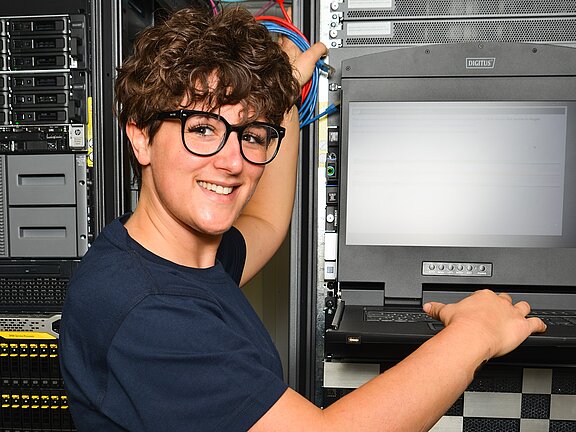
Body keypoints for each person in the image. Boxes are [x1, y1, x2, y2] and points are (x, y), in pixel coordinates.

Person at [59, 5, 547, 432]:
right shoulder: (148, 313)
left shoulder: (170, 257)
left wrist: (284, 98)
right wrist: (474, 334)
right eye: (203, 128)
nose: (232, 161)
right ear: (141, 137)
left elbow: (268, 221)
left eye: (251, 135)